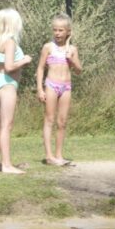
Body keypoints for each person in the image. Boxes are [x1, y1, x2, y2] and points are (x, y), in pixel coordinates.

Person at [0, 8, 33, 174]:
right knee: (7, 125)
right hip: (7, 84)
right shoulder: (10, 42)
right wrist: (24, 60)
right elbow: (9, 66)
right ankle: (6, 165)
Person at [35, 14, 83, 166]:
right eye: (55, 30)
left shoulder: (72, 49)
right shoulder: (48, 47)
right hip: (51, 85)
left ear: (68, 31)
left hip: (66, 87)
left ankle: (59, 155)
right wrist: (39, 89)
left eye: (61, 30)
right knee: (49, 119)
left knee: (62, 122)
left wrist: (72, 59)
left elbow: (79, 70)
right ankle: (49, 156)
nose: (57, 33)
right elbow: (40, 68)